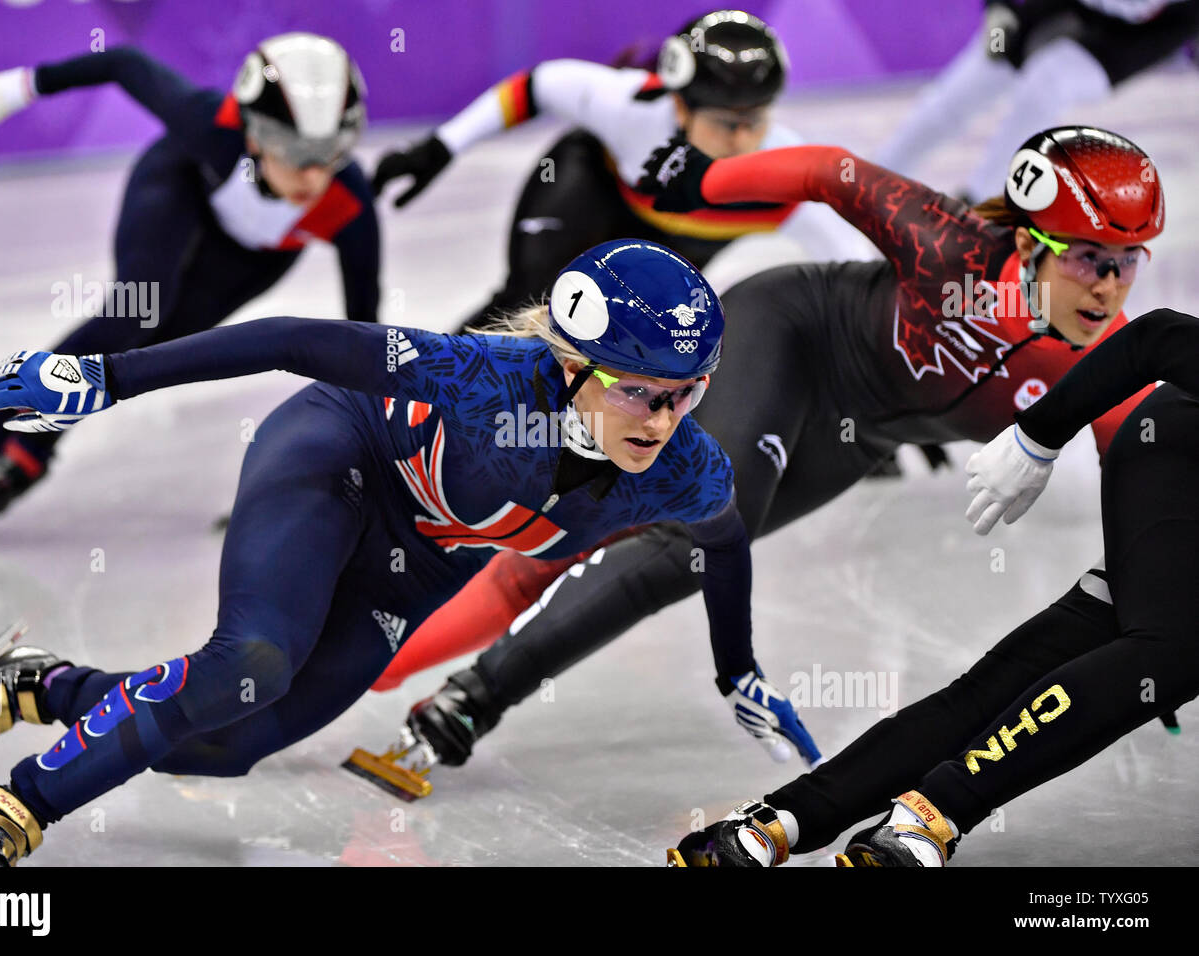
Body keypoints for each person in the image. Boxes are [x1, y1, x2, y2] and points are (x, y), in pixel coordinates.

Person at [0, 239, 821, 866]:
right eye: (639, 394)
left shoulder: (684, 471)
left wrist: (736, 673)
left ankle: (41, 685)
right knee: (252, 662)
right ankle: (10, 817)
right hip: (338, 457)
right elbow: (292, 342)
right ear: (573, 363)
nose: (663, 423)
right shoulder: (487, 376)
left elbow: (724, 543)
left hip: (413, 568)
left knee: (220, 748)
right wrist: (104, 377)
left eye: (686, 395)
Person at [351, 125, 1165, 795]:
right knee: (695, 537)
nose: (1110, 288)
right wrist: (706, 180)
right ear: (1031, 240)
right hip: (790, 335)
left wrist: (1145, 618)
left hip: (854, 438)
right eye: (1091, 258)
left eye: (1130, 264)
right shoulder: (948, 246)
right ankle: (464, 697)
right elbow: (826, 171)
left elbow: (1141, 478)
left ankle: (363, 670)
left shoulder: (1109, 360)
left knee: (608, 540)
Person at [671, 306, 1199, 867]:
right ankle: (933, 812)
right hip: (1180, 454)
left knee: (1066, 653)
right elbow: (1156, 336)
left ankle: (784, 819)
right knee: (1177, 646)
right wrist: (1036, 437)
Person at [0, 33, 379, 517]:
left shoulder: (348, 203)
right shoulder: (212, 128)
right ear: (252, 132)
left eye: (333, 150)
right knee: (128, 319)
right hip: (178, 188)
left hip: (256, 255)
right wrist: (11, 90)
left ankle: (35, 444)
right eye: (293, 149)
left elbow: (365, 340)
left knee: (146, 354)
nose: (314, 176)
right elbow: (125, 64)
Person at [372, 9, 874, 331]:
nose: (743, 139)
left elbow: (854, 274)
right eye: (725, 123)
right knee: (532, 308)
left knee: (646, 337)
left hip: (669, 235)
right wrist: (441, 145)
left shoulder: (785, 175)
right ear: (680, 107)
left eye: (756, 120)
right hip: (589, 186)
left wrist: (876, 392)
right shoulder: (631, 107)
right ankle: (425, 395)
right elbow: (539, 86)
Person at [875, 0, 1199, 202]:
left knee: (1048, 82)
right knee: (971, 80)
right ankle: (875, 176)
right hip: (1039, 11)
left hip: (1128, 37)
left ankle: (982, 207)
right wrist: (998, 11)